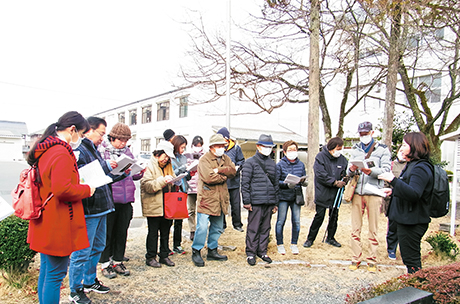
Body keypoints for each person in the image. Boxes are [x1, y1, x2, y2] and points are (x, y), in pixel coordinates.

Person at [27, 111, 94, 304]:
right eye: (81, 134)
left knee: (48, 272)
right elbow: (62, 189)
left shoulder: (46, 149)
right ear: (72, 130)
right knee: (56, 275)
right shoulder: (61, 152)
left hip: (45, 218)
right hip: (58, 221)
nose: (80, 139)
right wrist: (86, 189)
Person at [68, 117, 128, 304]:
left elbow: (102, 178)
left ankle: (89, 280)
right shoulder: (79, 150)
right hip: (89, 208)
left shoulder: (93, 149)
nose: (103, 138)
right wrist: (105, 165)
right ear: (88, 130)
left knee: (98, 247)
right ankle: (75, 289)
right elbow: (83, 176)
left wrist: (121, 174)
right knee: (82, 251)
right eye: (101, 133)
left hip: (102, 206)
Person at [378, 132, 434, 273]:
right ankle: (414, 286)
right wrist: (394, 191)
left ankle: (417, 287)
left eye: (404, 145)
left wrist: (393, 180)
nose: (401, 148)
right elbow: (409, 188)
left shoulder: (421, 167)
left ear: (414, 146)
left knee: (412, 260)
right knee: (409, 259)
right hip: (406, 219)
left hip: (413, 222)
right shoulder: (412, 165)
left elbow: (415, 193)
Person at [98, 123, 145, 278]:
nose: (123, 143)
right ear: (112, 138)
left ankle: (118, 260)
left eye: (126, 140)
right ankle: (105, 263)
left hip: (126, 198)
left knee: (121, 232)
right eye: (120, 140)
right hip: (110, 198)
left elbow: (133, 175)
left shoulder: (128, 153)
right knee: (107, 233)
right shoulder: (102, 151)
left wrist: (139, 172)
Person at [347, 121, 391, 272]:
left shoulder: (383, 150)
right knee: (355, 227)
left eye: (366, 133)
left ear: (372, 133)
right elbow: (348, 171)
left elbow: (386, 170)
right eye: (361, 134)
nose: (363, 136)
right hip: (358, 191)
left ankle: (372, 258)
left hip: (374, 191)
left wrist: (370, 171)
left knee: (373, 227)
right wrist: (352, 169)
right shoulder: (355, 149)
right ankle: (355, 257)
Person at [191, 133, 236, 267]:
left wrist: (219, 170)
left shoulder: (225, 158)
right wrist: (224, 176)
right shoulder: (204, 160)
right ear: (212, 147)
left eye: (223, 145)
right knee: (202, 227)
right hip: (207, 198)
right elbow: (209, 178)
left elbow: (233, 171)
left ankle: (212, 250)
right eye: (219, 146)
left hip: (221, 199)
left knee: (217, 227)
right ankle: (196, 250)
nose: (222, 148)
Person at [241, 134, 279, 266]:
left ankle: (262, 251)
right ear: (258, 146)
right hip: (255, 201)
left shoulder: (272, 164)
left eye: (270, 147)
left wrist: (275, 203)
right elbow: (245, 183)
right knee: (253, 228)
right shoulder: (250, 162)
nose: (268, 149)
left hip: (269, 202)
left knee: (265, 228)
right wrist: (246, 201)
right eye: (265, 146)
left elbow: (276, 185)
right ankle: (250, 253)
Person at [304, 137, 348, 249]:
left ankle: (331, 238)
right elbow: (320, 174)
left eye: (341, 148)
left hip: (336, 194)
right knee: (319, 216)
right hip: (322, 192)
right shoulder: (320, 157)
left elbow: (345, 172)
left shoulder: (343, 159)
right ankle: (310, 238)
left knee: (334, 216)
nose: (340, 150)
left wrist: (345, 179)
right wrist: (334, 182)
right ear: (331, 148)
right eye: (338, 148)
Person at [141, 141, 177, 268]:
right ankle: (150, 257)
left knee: (166, 231)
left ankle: (164, 255)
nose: (166, 159)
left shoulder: (168, 166)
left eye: (168, 157)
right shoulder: (149, 165)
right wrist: (163, 180)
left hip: (167, 204)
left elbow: (171, 179)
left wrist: (174, 180)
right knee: (153, 232)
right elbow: (147, 185)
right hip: (154, 204)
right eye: (165, 156)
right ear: (158, 153)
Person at [275, 140, 307, 255]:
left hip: (296, 196)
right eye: (290, 150)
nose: (292, 152)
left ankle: (294, 244)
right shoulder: (280, 164)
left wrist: (303, 182)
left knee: (296, 221)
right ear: (284, 152)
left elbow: (303, 178)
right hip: (283, 196)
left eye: (294, 149)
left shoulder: (301, 164)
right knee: (280, 221)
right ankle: (280, 244)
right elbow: (276, 181)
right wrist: (286, 184)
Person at [216, 127, 245, 232]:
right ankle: (221, 225)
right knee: (222, 204)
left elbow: (242, 161)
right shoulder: (218, 148)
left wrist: (237, 168)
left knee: (236, 204)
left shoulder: (236, 148)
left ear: (226, 138)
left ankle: (237, 224)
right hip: (222, 182)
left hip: (234, 181)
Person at [383, 147, 406, 260]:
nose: (402, 154)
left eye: (404, 151)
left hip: (406, 199)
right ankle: (391, 249)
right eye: (400, 151)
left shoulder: (410, 166)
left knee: (405, 227)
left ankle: (404, 249)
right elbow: (386, 182)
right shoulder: (391, 165)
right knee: (393, 226)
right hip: (393, 199)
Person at [170, 135, 189, 255]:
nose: (183, 150)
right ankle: (165, 246)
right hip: (172, 189)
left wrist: (189, 173)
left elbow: (186, 174)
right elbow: (171, 173)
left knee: (179, 219)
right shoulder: (170, 158)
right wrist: (181, 169)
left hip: (182, 189)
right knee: (169, 218)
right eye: (182, 147)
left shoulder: (183, 158)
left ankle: (177, 244)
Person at [184, 135, 205, 241]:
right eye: (196, 145)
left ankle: (201, 229)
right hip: (191, 186)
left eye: (200, 145)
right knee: (191, 210)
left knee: (201, 209)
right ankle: (192, 229)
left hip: (201, 186)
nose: (198, 147)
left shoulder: (204, 155)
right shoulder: (187, 155)